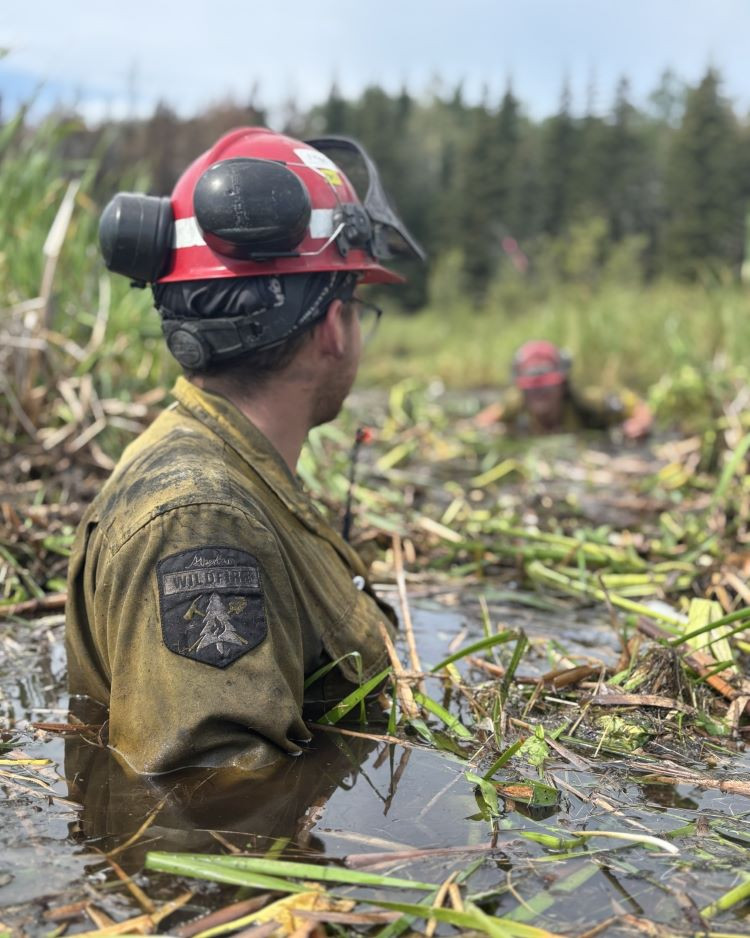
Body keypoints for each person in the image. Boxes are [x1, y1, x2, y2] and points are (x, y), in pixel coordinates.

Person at [65, 127, 424, 775]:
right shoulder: (200, 517)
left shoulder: (236, 474)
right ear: (332, 328)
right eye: (357, 305)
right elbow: (214, 822)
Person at [475, 340, 653, 438]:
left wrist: (640, 423)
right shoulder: (515, 403)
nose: (539, 395)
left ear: (561, 385)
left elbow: (635, 405)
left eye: (546, 388)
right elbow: (483, 420)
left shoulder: (586, 403)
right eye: (532, 390)